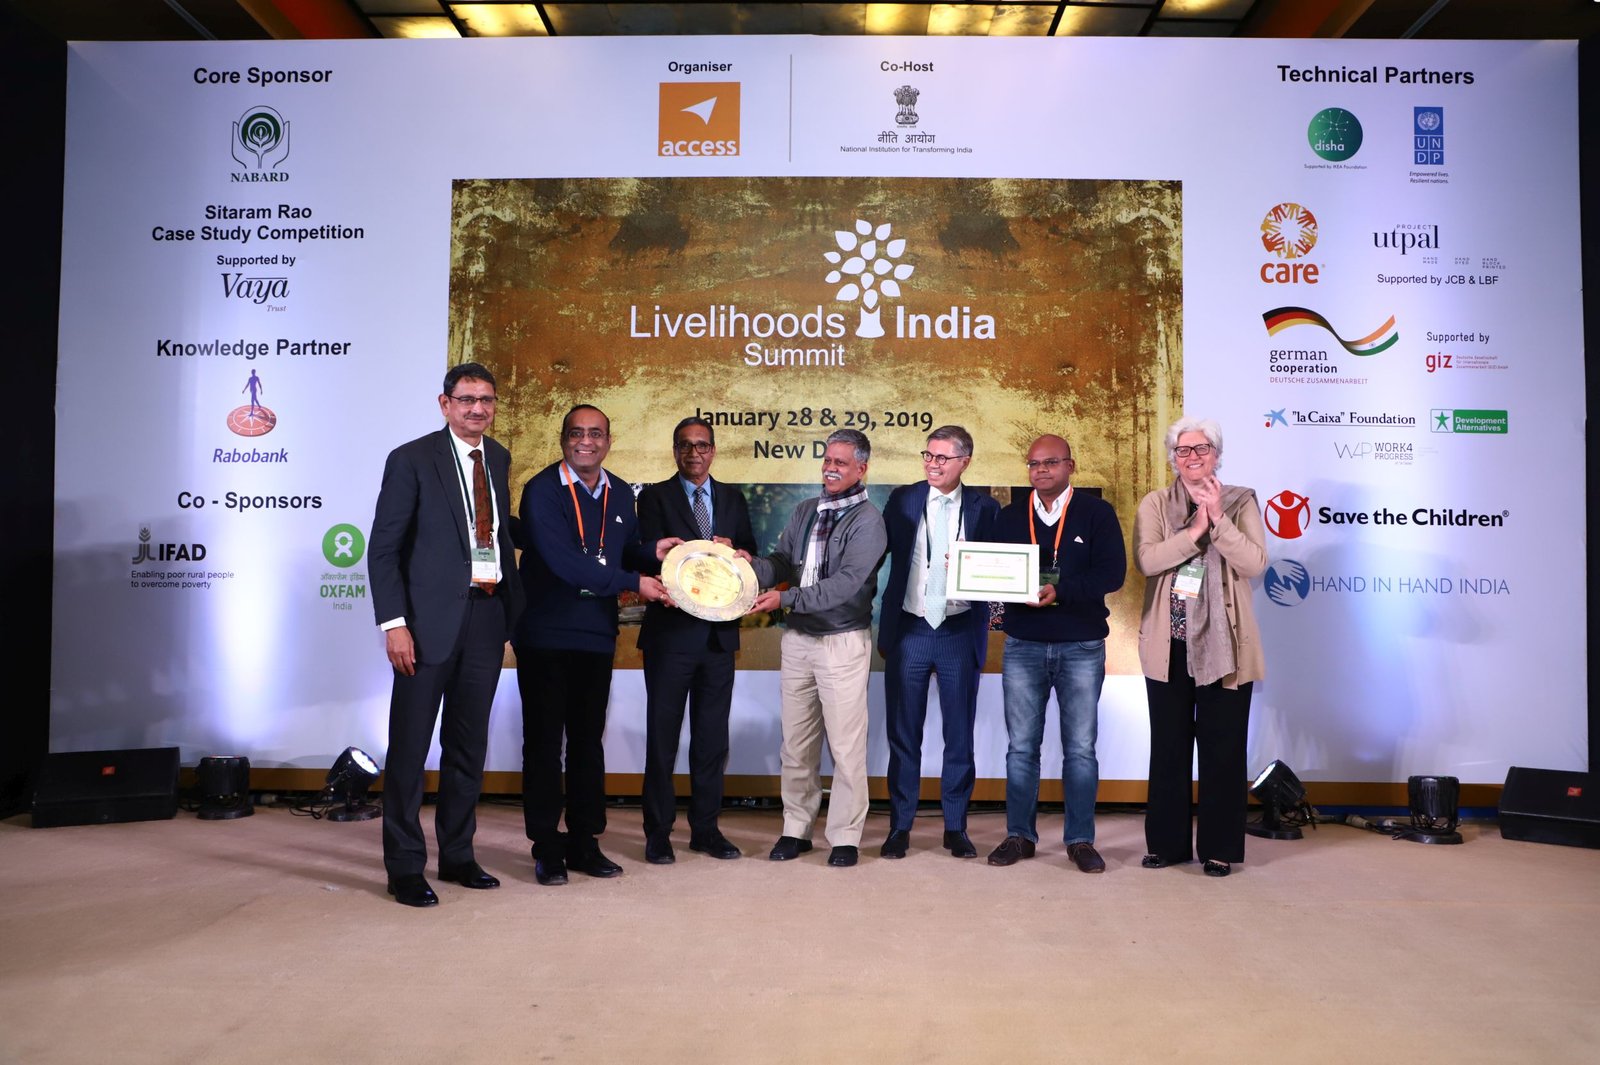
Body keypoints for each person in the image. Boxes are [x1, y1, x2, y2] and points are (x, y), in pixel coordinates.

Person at [369, 362, 526, 907]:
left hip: (486, 618)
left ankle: (458, 855)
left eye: (486, 399)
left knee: (467, 747)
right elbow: (383, 549)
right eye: (466, 399)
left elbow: (496, 533)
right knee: (410, 751)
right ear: (445, 404)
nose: (477, 408)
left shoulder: (498, 457)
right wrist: (394, 625)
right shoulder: (411, 459)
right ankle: (405, 867)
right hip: (425, 626)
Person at [514, 404, 673, 886]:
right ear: (563, 438)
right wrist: (633, 582)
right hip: (545, 635)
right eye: (577, 433)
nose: (587, 441)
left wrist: (653, 553)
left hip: (596, 636)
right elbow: (564, 561)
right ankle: (547, 846)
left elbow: (622, 550)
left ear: (608, 440)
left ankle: (585, 840)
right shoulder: (542, 490)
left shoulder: (620, 492)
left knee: (588, 743)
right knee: (544, 744)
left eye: (596, 433)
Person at [745, 429, 887, 868]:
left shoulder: (869, 521)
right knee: (796, 743)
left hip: (841, 643)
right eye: (827, 459)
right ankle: (796, 829)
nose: (830, 468)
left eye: (841, 462)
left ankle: (845, 836)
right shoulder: (806, 510)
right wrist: (747, 566)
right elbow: (782, 562)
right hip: (798, 641)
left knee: (845, 747)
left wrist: (784, 599)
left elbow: (846, 586)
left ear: (861, 468)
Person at [1134, 417, 1267, 878]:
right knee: (1168, 750)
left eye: (1201, 448)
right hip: (1168, 645)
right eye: (1183, 450)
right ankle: (1166, 845)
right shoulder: (1155, 503)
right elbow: (1148, 560)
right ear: (1173, 458)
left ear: (1217, 454)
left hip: (1224, 649)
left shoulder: (1241, 501)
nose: (1192, 457)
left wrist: (1218, 520)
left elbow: (1253, 563)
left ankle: (1219, 848)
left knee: (1223, 751)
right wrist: (1194, 531)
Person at [987, 434, 1126, 873]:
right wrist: (969, 572)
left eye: (1050, 462)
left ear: (1071, 465)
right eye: (1033, 464)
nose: (1041, 470)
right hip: (1023, 644)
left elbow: (1113, 574)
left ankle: (1080, 841)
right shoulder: (1011, 516)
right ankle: (1019, 836)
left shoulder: (1097, 513)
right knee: (1021, 748)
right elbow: (994, 572)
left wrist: (1061, 590)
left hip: (1081, 645)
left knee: (1080, 749)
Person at [635, 416, 757, 864]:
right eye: (685, 445)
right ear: (674, 451)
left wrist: (739, 554)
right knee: (662, 740)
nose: (694, 453)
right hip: (670, 637)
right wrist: (665, 554)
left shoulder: (733, 498)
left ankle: (706, 829)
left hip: (719, 640)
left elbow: (750, 553)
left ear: (713, 450)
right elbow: (640, 554)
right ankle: (658, 833)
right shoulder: (653, 497)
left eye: (702, 445)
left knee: (711, 741)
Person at [876, 425, 1000, 860]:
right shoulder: (903, 499)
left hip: (959, 630)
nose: (932, 464)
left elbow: (1000, 566)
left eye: (942, 458)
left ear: (965, 461)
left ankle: (955, 827)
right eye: (928, 455)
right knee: (903, 735)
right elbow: (877, 552)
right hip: (910, 629)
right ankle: (900, 826)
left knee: (959, 735)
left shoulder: (986, 508)